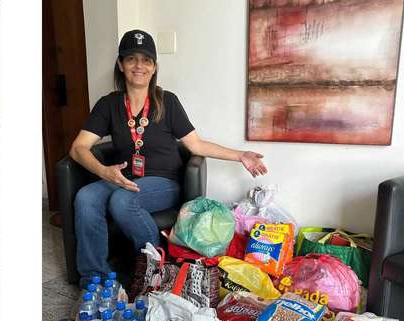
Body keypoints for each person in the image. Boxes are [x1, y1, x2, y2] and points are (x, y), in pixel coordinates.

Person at [69, 30, 268, 279]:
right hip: (122, 178)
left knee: (122, 200)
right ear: (120, 64)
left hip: (163, 182)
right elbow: (78, 148)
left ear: (154, 68)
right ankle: (94, 279)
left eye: (146, 60)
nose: (139, 65)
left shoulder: (168, 102)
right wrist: (103, 171)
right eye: (131, 58)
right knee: (86, 196)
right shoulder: (108, 105)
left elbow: (196, 145)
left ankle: (157, 267)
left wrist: (240, 155)